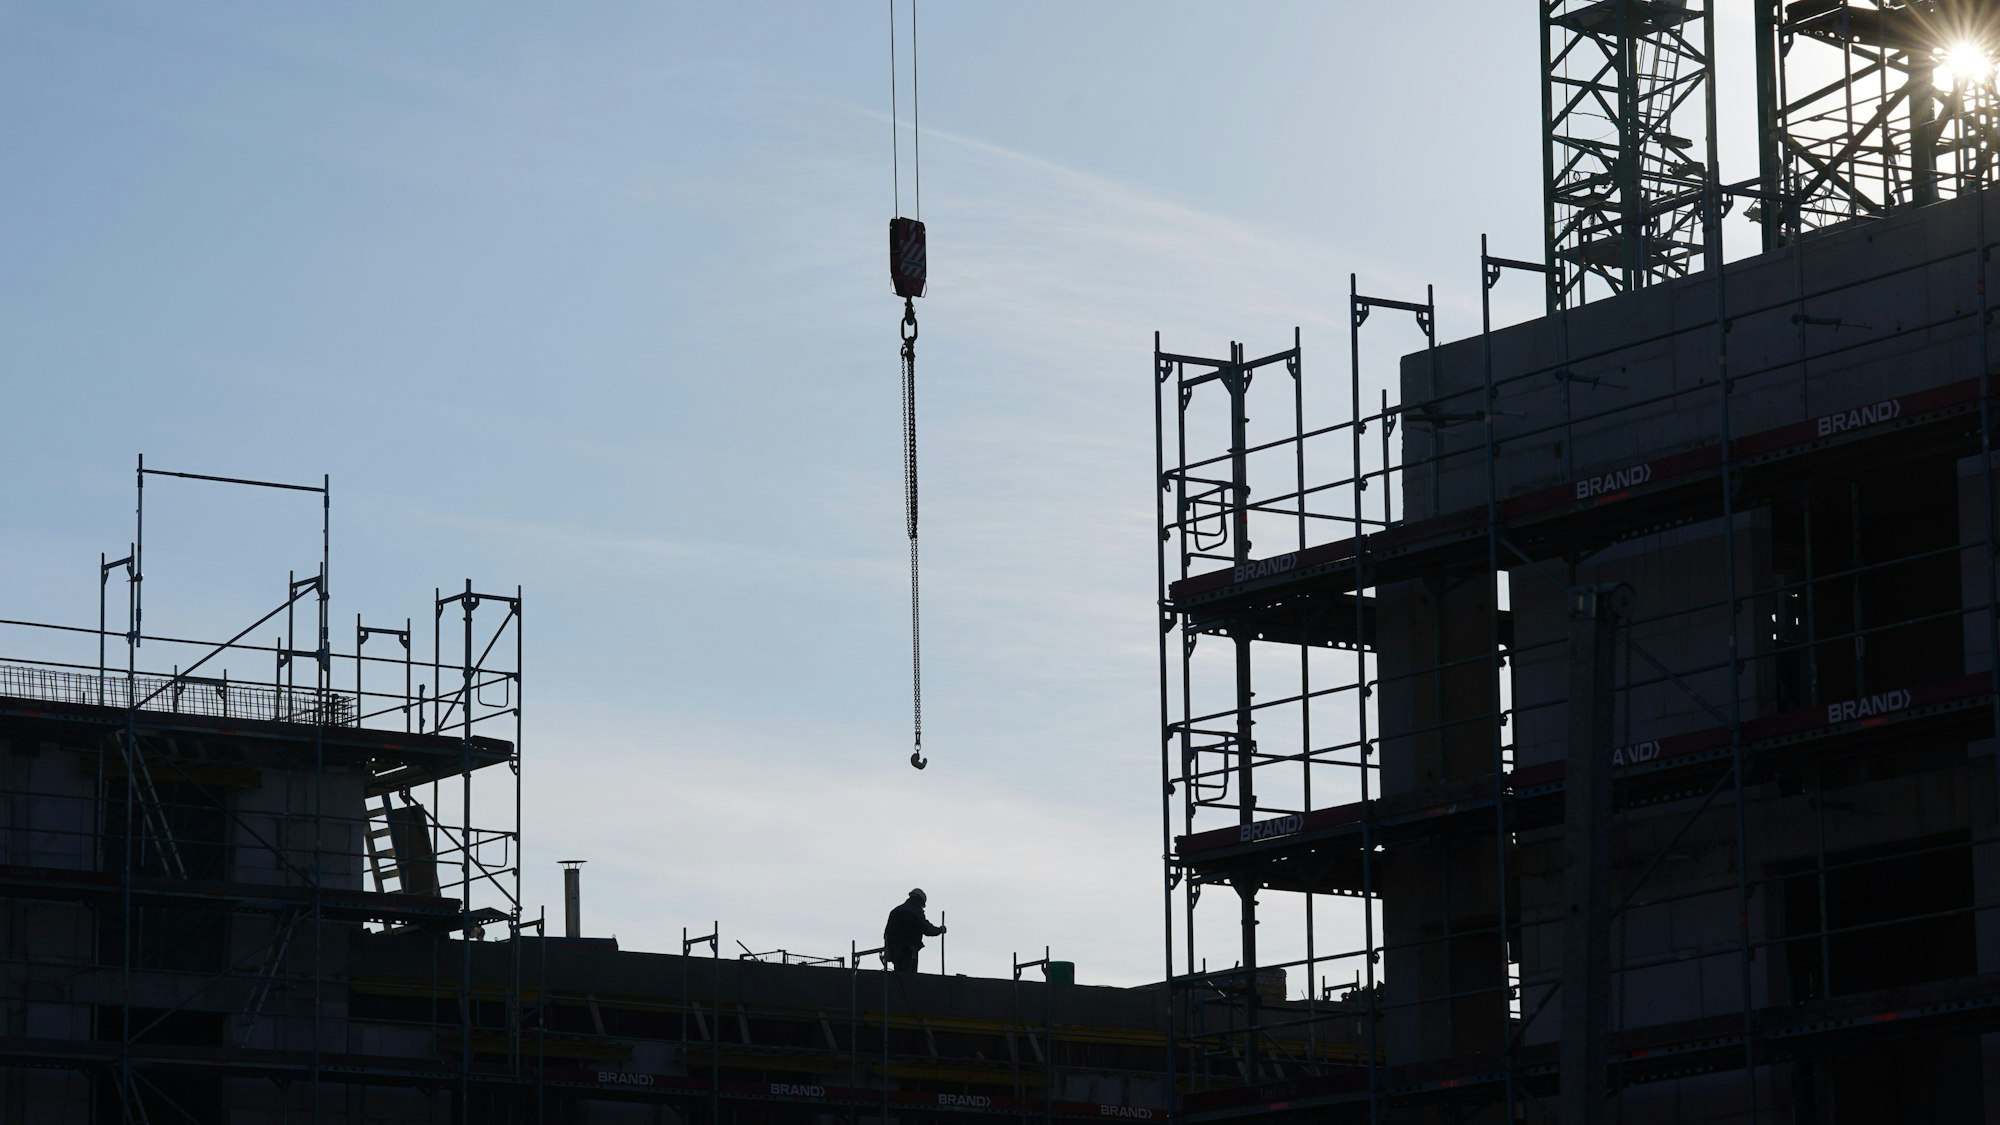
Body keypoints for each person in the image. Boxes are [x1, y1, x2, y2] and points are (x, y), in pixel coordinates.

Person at [882, 887, 945, 974]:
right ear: (919, 900)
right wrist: (940, 930)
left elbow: (886, 933)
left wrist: (888, 948)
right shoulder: (915, 911)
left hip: (894, 950)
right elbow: (927, 929)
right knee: (909, 979)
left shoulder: (895, 911)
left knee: (898, 976)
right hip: (907, 951)